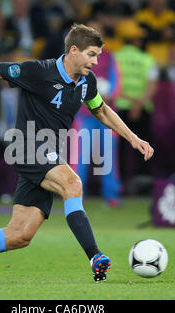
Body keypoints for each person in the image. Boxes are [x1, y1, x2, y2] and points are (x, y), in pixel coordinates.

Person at [0, 23, 154, 283]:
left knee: (19, 235)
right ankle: (95, 256)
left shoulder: (87, 82)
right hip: (27, 146)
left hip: (48, 153)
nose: (96, 61)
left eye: (98, 55)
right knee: (72, 183)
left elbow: (101, 110)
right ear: (73, 51)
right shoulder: (38, 71)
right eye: (91, 54)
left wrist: (133, 138)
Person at [72, 20, 121, 207]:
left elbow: (117, 84)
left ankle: (112, 196)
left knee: (108, 157)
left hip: (106, 114)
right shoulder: (75, 58)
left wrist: (109, 93)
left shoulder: (109, 57)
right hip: (84, 114)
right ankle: (74, 195)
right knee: (80, 158)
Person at [114, 20, 158, 192]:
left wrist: (130, 102)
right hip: (142, 109)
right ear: (137, 41)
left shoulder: (115, 58)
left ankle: (122, 185)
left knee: (120, 151)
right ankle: (142, 187)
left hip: (118, 110)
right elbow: (152, 86)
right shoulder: (147, 59)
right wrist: (138, 105)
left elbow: (113, 86)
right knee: (144, 148)